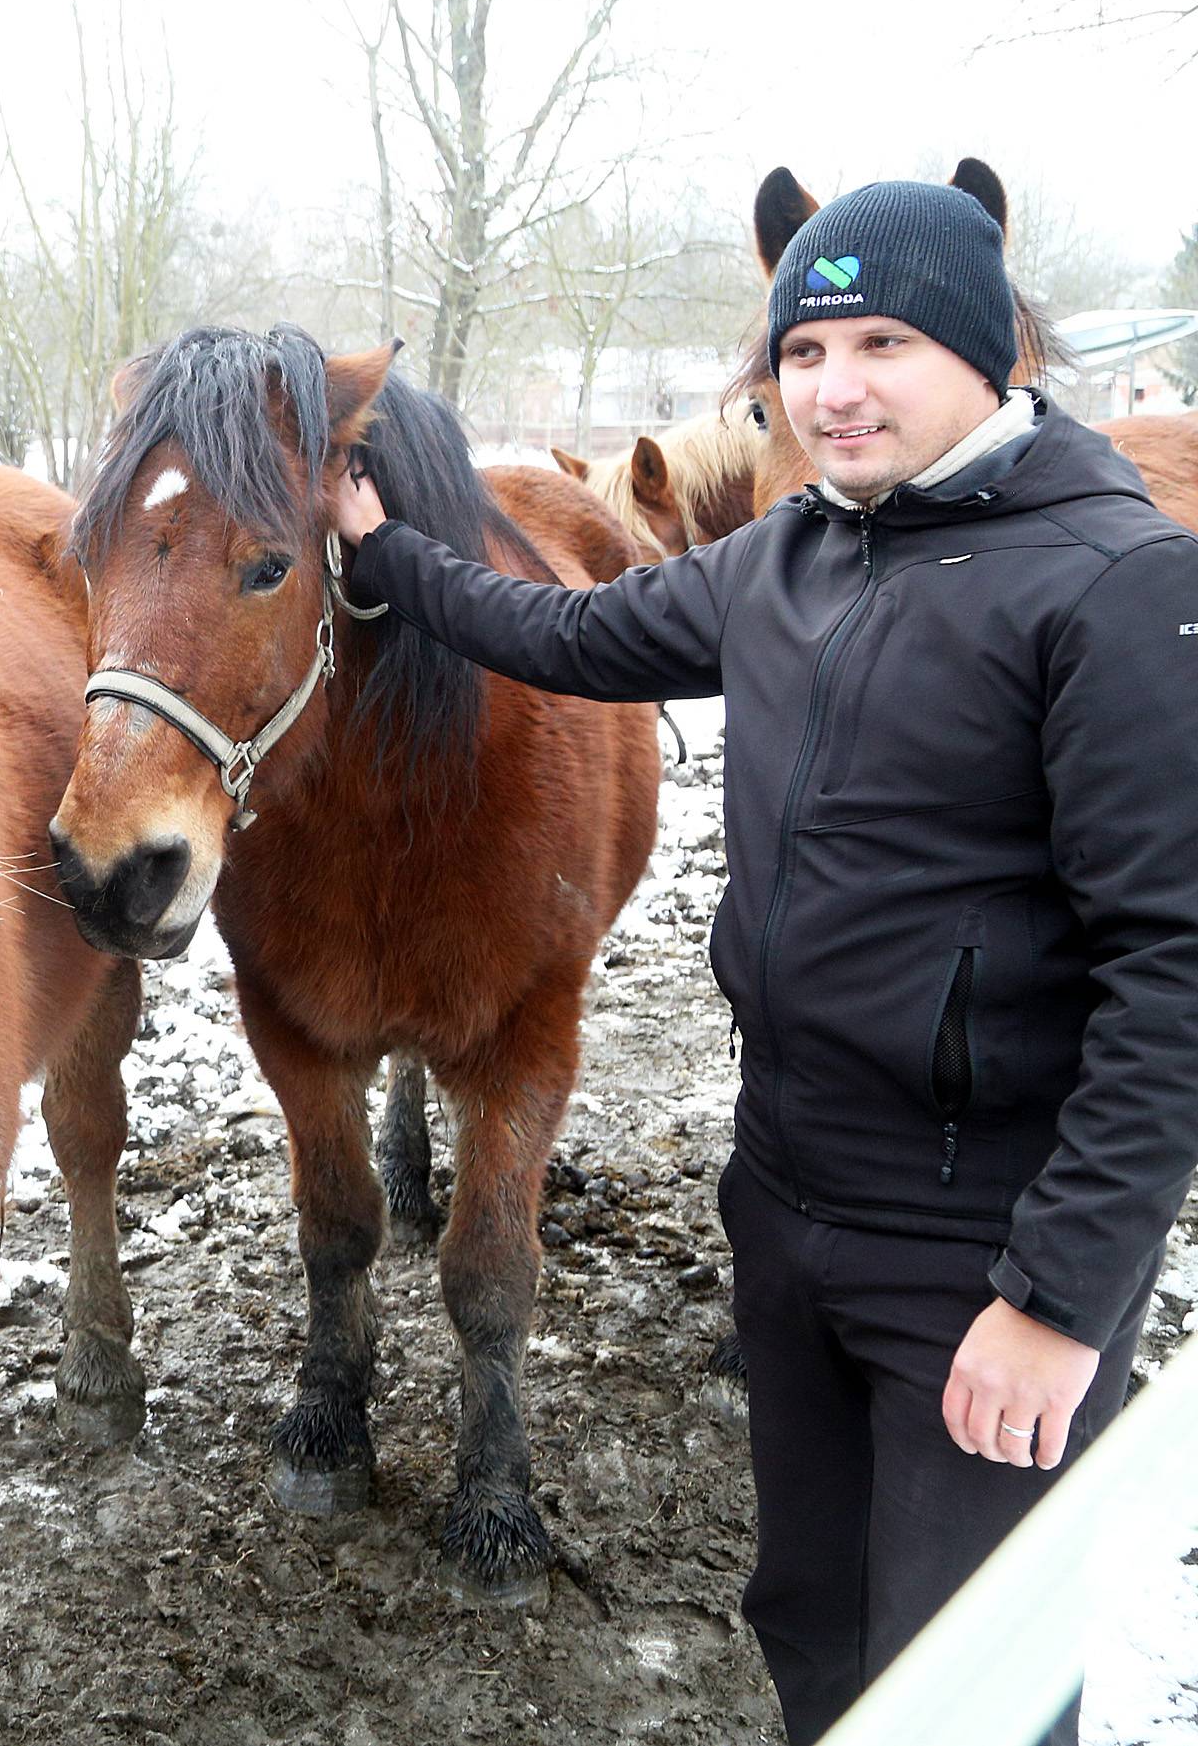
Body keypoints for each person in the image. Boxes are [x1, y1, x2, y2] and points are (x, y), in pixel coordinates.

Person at [329, 180, 1198, 1745]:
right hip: (789, 1192)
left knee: (973, 1688)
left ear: (991, 346)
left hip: (985, 1240)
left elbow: (1177, 972)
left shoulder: (1114, 582)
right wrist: (392, 559)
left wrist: (1061, 1296)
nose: (835, 385)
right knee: (809, 1620)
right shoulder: (795, 555)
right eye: (803, 348)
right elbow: (573, 636)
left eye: (883, 340)